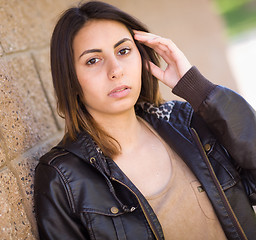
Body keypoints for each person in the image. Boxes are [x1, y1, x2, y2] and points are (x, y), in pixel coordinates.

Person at [34, 1, 256, 239]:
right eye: (93, 60)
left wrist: (199, 90)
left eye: (123, 51)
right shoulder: (63, 178)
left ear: (142, 57)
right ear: (70, 79)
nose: (116, 70)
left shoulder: (187, 124)